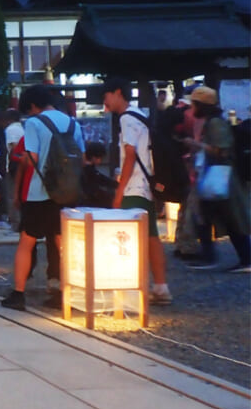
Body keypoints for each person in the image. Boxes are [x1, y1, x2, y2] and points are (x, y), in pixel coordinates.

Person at [1, 85, 85, 311]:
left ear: (32, 106)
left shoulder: (34, 123)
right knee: (62, 243)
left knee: (27, 242)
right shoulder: (72, 123)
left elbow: (33, 158)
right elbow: (82, 158)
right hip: (67, 193)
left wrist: (20, 160)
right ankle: (64, 291)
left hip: (39, 193)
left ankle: (18, 293)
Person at [102, 76, 172, 304]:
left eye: (107, 96)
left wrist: (119, 192)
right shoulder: (140, 115)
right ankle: (160, 287)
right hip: (146, 185)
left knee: (131, 239)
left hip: (135, 188)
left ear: (118, 93)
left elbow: (130, 155)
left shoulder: (127, 119)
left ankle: (133, 287)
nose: (106, 103)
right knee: (151, 236)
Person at [183, 86, 250, 272]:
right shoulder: (213, 122)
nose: (192, 108)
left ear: (202, 105)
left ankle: (225, 257)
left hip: (221, 178)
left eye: (194, 104)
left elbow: (221, 151)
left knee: (221, 218)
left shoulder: (215, 124)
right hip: (218, 177)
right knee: (219, 218)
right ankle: (231, 257)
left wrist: (196, 144)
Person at [81, 141, 117, 208]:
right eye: (100, 158)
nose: (100, 161)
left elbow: (102, 179)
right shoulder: (88, 171)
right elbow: (101, 181)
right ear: (93, 157)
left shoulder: (88, 169)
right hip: (90, 204)